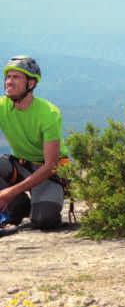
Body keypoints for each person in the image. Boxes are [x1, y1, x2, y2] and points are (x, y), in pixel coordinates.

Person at [0, 56, 69, 230]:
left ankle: (22, 201)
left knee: (45, 221)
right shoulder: (2, 107)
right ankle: (18, 206)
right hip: (21, 165)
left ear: (30, 84)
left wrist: (10, 191)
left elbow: (51, 165)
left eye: (16, 77)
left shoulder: (48, 113)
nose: (9, 81)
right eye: (7, 77)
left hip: (48, 172)